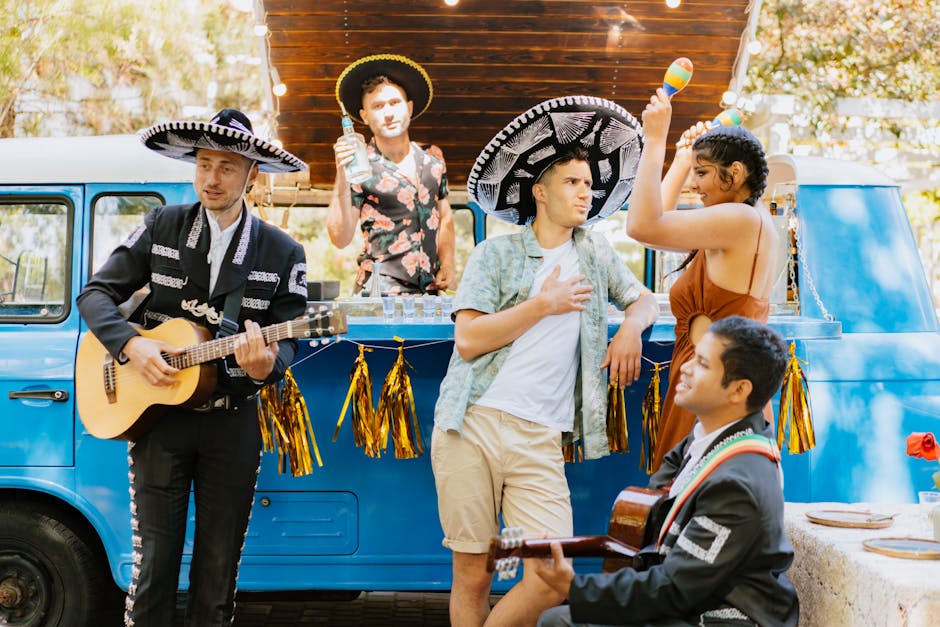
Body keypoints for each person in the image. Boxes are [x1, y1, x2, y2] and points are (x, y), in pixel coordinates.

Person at [432, 96, 659, 627]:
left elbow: (643, 298)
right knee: (473, 573)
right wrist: (544, 305)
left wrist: (630, 327)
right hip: (475, 422)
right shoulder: (497, 253)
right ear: (540, 190)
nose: (586, 193)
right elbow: (467, 340)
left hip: (540, 436)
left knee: (551, 576)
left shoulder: (596, 252)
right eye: (573, 183)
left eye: (590, 185)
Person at [77, 109, 308, 627]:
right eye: (204, 163)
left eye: (227, 167)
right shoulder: (162, 225)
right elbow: (94, 296)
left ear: (252, 174)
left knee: (218, 569)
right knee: (154, 565)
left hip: (232, 421)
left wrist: (263, 366)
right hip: (159, 419)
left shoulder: (283, 250)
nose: (212, 178)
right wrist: (130, 347)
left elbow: (289, 342)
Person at [534, 316, 799, 627]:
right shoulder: (710, 437)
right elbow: (660, 500)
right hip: (692, 600)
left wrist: (574, 588)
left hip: (723, 618)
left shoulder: (736, 485)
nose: (685, 367)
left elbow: (676, 588)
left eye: (702, 363)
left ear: (738, 390)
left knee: (561, 623)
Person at [626, 88, 780, 471]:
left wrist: (655, 137)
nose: (695, 185)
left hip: (718, 391)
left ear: (737, 173)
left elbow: (642, 225)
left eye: (703, 173)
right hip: (707, 382)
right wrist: (681, 160)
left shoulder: (741, 220)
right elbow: (654, 218)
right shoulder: (741, 219)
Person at [328, 53, 455, 295]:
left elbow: (445, 217)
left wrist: (448, 263)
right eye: (377, 106)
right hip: (378, 293)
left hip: (428, 294)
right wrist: (341, 175)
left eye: (395, 103)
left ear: (409, 108)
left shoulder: (434, 157)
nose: (388, 113)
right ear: (364, 116)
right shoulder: (359, 164)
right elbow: (340, 238)